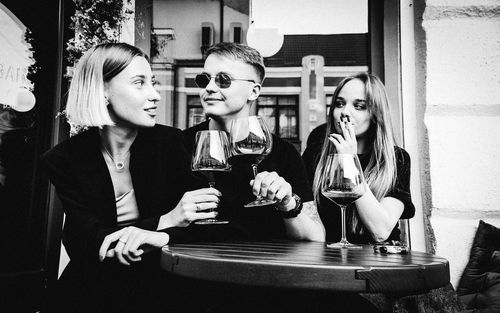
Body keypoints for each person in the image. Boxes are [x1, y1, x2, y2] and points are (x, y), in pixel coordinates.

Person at [41, 42, 223, 313]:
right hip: (90, 292)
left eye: (153, 83)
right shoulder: (64, 158)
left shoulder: (170, 143)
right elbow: (87, 243)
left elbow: (209, 226)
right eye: (139, 83)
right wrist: (167, 220)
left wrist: (157, 234)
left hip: (161, 289)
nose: (155, 95)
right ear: (102, 90)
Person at [183, 42, 325, 242]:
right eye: (204, 79)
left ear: (254, 92)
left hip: (265, 269)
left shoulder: (283, 153)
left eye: (224, 80)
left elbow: (316, 237)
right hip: (193, 267)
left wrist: (288, 204)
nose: (210, 87)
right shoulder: (179, 144)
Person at [305, 72, 415, 245]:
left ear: (375, 114)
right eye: (339, 104)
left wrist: (350, 162)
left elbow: (381, 231)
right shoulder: (315, 156)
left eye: (359, 106)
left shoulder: (396, 160)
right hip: (327, 260)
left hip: (375, 264)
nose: (344, 112)